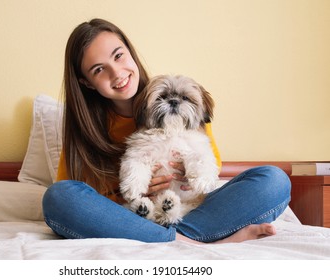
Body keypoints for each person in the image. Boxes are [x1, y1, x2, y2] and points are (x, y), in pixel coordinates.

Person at [42, 18, 291, 244]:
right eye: (99, 69)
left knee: (274, 180)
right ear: (86, 82)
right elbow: (74, 195)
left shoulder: (188, 110)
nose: (116, 73)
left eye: (118, 56)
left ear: (131, 53)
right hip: (129, 215)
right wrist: (135, 192)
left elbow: (206, 175)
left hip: (191, 207)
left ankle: (171, 238)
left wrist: (183, 174)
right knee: (58, 198)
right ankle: (192, 241)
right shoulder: (84, 131)